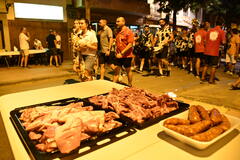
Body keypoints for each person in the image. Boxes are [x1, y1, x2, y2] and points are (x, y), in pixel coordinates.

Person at [112, 17, 134, 86]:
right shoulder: (118, 31)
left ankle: (130, 85)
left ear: (123, 22)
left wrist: (122, 53)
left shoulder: (128, 31)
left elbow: (130, 45)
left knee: (128, 71)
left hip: (127, 55)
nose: (116, 23)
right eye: (116, 21)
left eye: (118, 21)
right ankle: (113, 86)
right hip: (118, 55)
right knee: (116, 71)